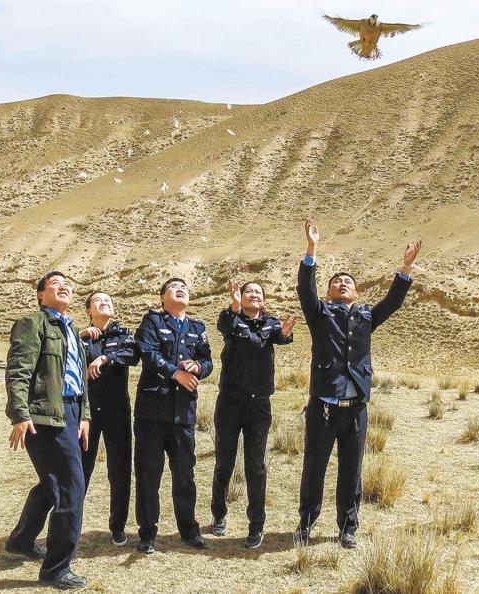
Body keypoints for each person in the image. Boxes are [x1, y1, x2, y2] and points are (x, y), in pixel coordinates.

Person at [295, 220, 421, 549]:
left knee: (352, 471)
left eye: (347, 282)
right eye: (336, 282)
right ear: (328, 292)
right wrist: (311, 249)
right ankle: (305, 524)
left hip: (355, 409)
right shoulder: (319, 313)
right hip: (323, 407)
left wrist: (406, 268)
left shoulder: (366, 317)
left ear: (355, 292)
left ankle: (348, 527)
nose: (342, 284)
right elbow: (305, 290)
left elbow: (392, 303)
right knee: (314, 468)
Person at [5, 271, 91, 590]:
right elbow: (19, 370)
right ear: (41, 295)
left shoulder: (72, 329)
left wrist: (84, 416)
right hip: (45, 416)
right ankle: (57, 569)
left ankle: (21, 540)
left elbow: (78, 379)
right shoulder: (33, 323)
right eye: (55, 284)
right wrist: (19, 413)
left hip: (71, 412)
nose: (63, 286)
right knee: (71, 488)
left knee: (51, 483)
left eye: (67, 283)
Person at [209, 280, 297, 549]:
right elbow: (226, 325)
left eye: (258, 292)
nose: (254, 294)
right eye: (249, 291)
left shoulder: (270, 324)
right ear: (240, 296)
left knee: (256, 466)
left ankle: (256, 525)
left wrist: (285, 332)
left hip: (259, 405)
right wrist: (235, 306)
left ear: (264, 300)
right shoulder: (229, 319)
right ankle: (219, 514)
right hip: (230, 403)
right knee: (224, 461)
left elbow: (281, 337)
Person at [133, 277, 213, 554]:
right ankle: (147, 534)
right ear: (162, 297)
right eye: (173, 288)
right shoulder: (153, 321)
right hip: (152, 413)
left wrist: (199, 367)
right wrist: (176, 373)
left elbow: (208, 360)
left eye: (184, 288)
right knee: (148, 476)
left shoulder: (197, 327)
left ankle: (189, 530)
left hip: (183, 414)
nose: (180, 290)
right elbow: (148, 353)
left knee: (185, 475)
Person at [78, 291, 138, 547]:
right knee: (81, 470)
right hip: (87, 413)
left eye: (108, 301)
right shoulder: (79, 337)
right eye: (98, 301)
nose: (104, 303)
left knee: (120, 470)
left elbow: (133, 355)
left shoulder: (123, 334)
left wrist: (105, 358)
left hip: (117, 411)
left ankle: (118, 527)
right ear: (88, 311)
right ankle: (71, 526)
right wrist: (79, 336)